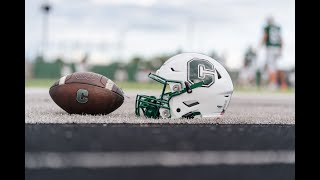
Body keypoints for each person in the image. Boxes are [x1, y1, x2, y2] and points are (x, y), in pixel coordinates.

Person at [261, 16, 283, 90]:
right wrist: (281, 49)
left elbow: (265, 37)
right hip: (277, 48)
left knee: (271, 67)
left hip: (270, 48)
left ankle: (272, 84)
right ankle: (275, 83)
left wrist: (260, 45)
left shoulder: (267, 28)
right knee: (275, 66)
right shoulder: (277, 28)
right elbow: (281, 39)